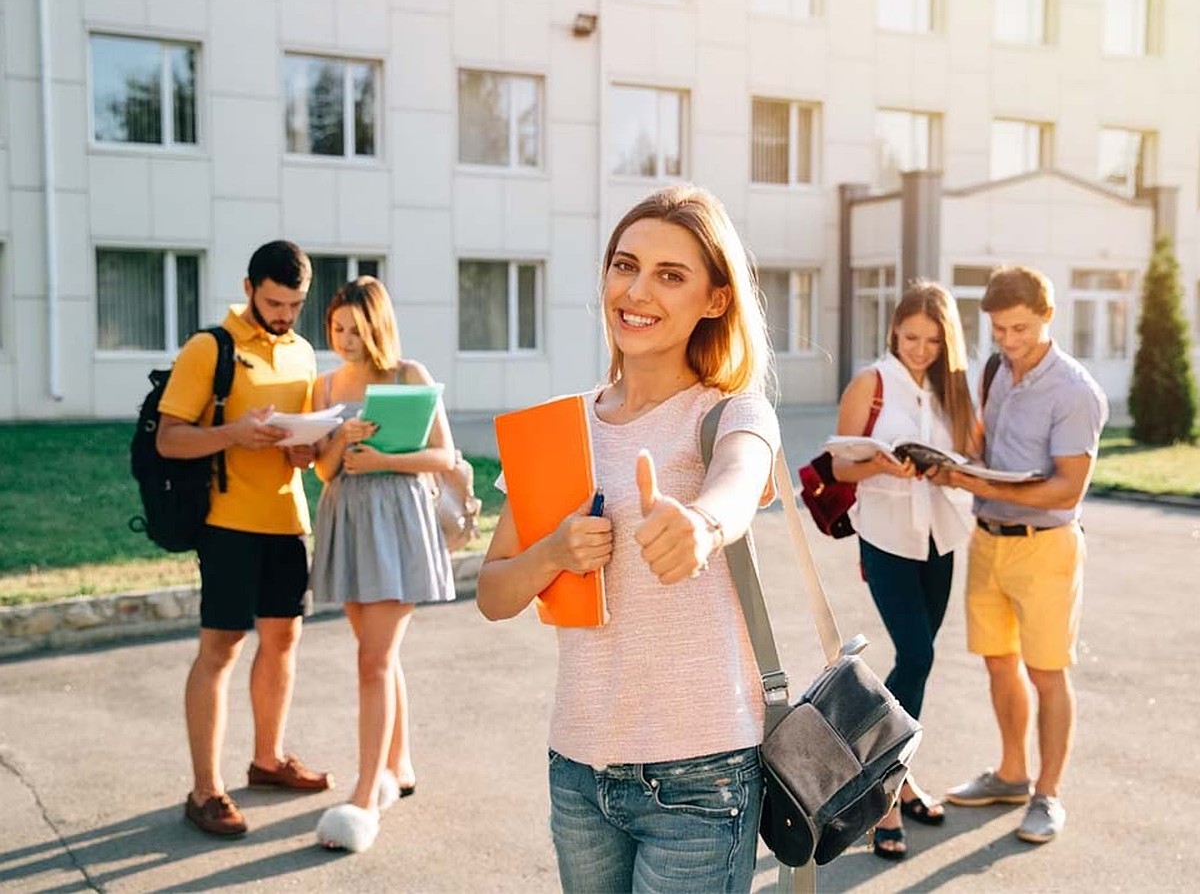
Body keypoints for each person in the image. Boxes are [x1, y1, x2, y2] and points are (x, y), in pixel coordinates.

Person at [476, 184, 780, 893]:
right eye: (625, 265)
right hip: (578, 769)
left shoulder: (732, 412)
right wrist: (553, 552)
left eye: (671, 275)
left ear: (715, 300)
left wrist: (702, 526)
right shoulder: (553, 428)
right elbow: (493, 595)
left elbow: (739, 481)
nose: (636, 290)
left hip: (702, 775)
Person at [157, 240, 331, 838]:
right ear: (250, 286)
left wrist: (307, 449)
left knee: (283, 641)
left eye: (295, 304)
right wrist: (233, 433)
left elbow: (303, 450)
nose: (284, 314)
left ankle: (268, 759)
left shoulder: (304, 353)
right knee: (222, 647)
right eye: (275, 301)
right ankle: (205, 790)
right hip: (227, 522)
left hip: (289, 520)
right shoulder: (211, 347)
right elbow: (169, 439)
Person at [938, 265, 1108, 845]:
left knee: (1046, 672)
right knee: (997, 662)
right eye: (1000, 330)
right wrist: (959, 462)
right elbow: (985, 441)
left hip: (1046, 549)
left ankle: (1048, 794)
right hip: (987, 541)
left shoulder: (1076, 391)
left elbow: (1068, 489)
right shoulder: (997, 371)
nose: (1009, 342)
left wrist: (983, 485)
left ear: (1048, 317)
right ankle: (1012, 774)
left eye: (1021, 329)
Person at [309, 277, 458, 852]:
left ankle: (368, 791)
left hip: (397, 520)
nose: (345, 339)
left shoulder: (407, 375)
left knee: (372, 659)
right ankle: (400, 763)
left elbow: (444, 455)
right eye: (336, 329)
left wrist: (383, 459)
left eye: (355, 329)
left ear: (378, 326)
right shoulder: (326, 385)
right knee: (381, 657)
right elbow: (323, 471)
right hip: (346, 520)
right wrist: (339, 440)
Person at [830, 280, 976, 860]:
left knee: (918, 664)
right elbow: (839, 464)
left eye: (933, 341)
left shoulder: (951, 391)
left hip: (942, 537)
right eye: (911, 337)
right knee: (916, 656)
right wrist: (881, 464)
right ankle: (881, 793)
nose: (920, 349)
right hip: (887, 536)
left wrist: (948, 470)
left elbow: (969, 457)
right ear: (894, 331)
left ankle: (901, 774)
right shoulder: (871, 382)